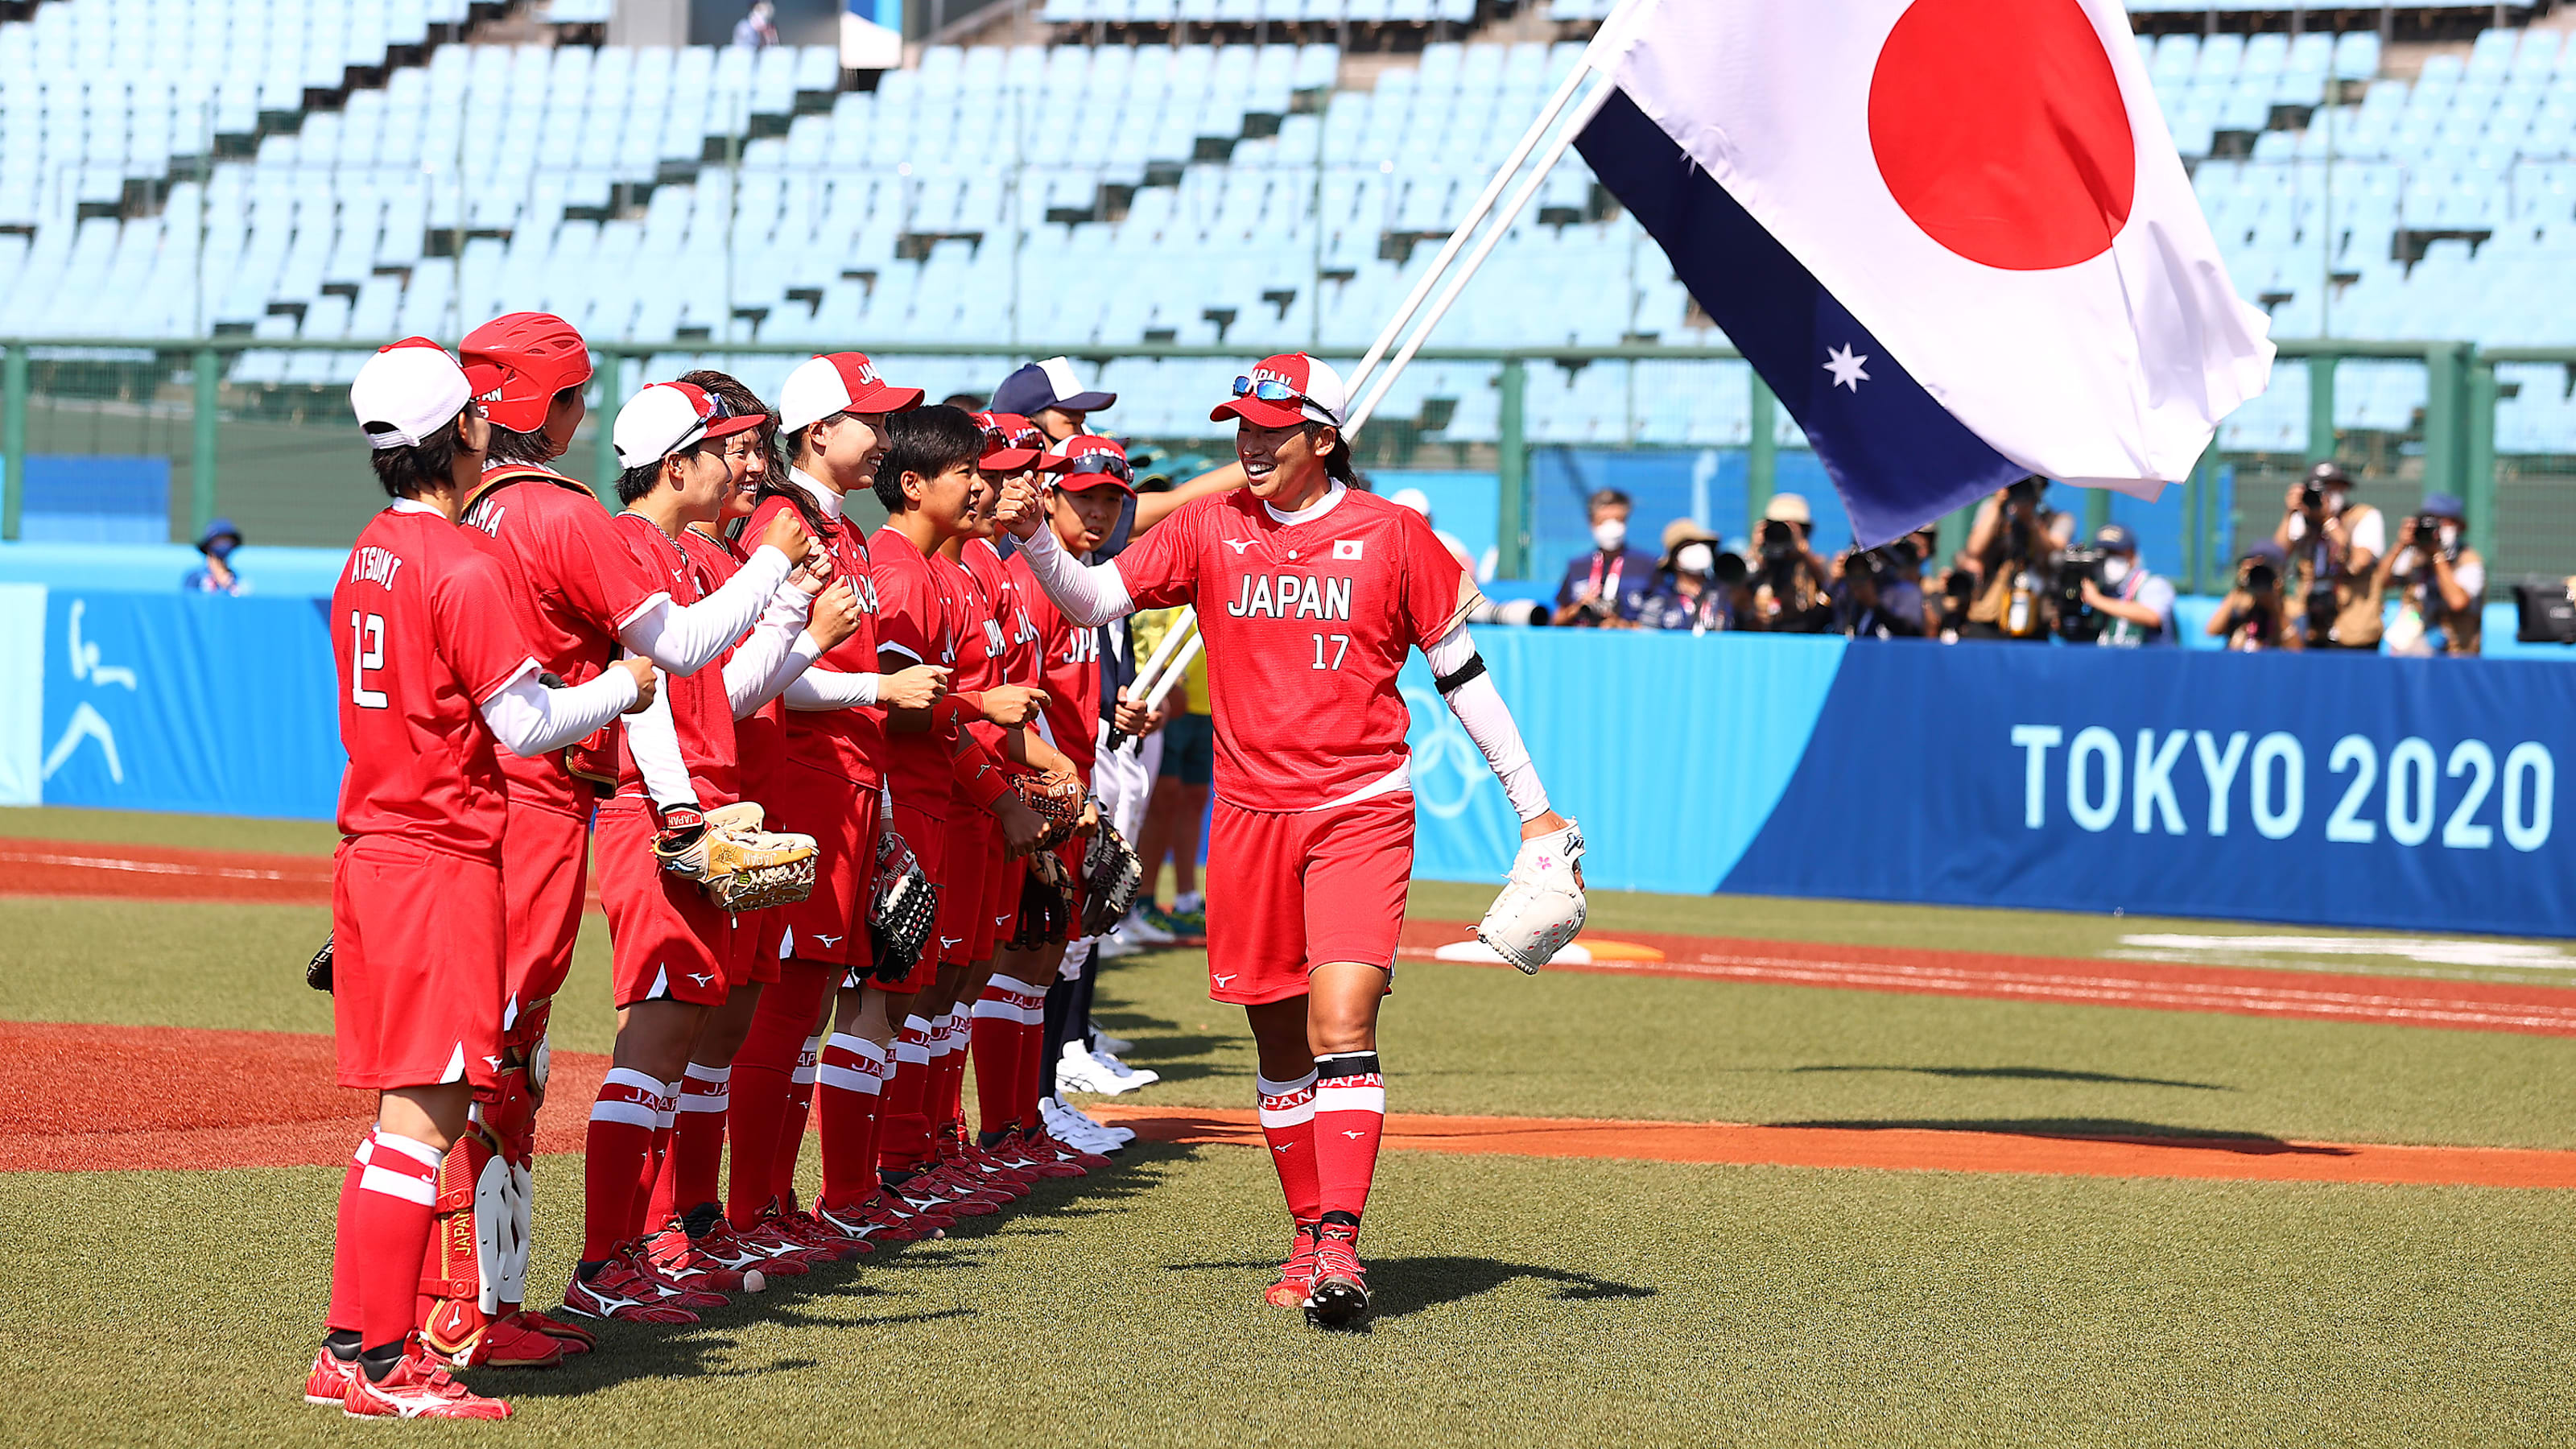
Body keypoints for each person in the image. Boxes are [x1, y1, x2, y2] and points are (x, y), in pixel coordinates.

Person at [994, 351, 1578, 1329]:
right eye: (1242, 427)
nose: (1249, 445)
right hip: (1252, 817)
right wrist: (1037, 544)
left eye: (1270, 429)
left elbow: (1462, 673)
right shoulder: (1210, 526)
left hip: (1360, 809)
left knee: (1340, 1025)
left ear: (1323, 438)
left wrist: (1533, 807)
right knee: (1274, 1045)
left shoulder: (1394, 535)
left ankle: (1340, 1245)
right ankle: (1305, 1232)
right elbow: (1093, 601)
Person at [422, 311, 816, 1368]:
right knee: (492, 1057)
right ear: (554, 410)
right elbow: (675, 662)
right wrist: (774, 577)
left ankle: (489, 1303)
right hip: (537, 799)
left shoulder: (462, 517)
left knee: (498, 1053)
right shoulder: (569, 517)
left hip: (471, 798)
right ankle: (467, 1305)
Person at [309, 338, 656, 1419]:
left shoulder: (369, 550)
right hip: (440, 858)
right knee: (428, 1110)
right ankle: (375, 1362)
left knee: (402, 1113)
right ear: (461, 430)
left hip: (377, 851)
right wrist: (624, 686)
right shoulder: (457, 564)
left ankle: (352, 1353)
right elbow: (528, 720)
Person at [563, 379, 830, 1327]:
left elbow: (723, 689)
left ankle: (650, 1245)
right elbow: (662, 675)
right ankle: (610, 1259)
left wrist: (793, 613)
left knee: (683, 1041)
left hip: (706, 806)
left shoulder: (687, 553)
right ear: (676, 464)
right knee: (657, 1038)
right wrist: (680, 808)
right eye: (724, 450)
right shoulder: (633, 543)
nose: (741, 468)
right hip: (660, 813)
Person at [720, 350, 964, 1257]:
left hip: (853, 783)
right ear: (818, 433)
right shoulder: (782, 520)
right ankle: (744, 1211)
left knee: (810, 1000)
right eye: (872, 419)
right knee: (786, 1003)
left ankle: (774, 1203)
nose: (887, 437)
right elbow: (763, 669)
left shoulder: (844, 529)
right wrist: (872, 689)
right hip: (807, 776)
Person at [2275, 461, 2384, 650]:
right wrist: (2290, 513)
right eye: (2320, 488)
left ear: (2344, 488)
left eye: (2332, 487)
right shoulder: (2304, 520)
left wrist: (2328, 521)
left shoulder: (2363, 516)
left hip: (2353, 627)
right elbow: (2276, 556)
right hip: (2310, 624)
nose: (2326, 494)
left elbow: (2358, 563)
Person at [1961, 477, 2074, 641]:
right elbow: (1974, 550)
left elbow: (2050, 554)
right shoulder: (1994, 510)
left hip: (2035, 615)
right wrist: (1997, 503)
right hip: (1990, 612)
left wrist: (2031, 520)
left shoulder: (2058, 519)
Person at [2378, 492, 2486, 657]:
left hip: (2455, 653)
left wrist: (2437, 556)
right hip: (2411, 648)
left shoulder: (2469, 560)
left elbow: (2457, 602)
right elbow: (2380, 583)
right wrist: (2400, 545)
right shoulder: (2415, 556)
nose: (2438, 528)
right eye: (2432, 521)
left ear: (2458, 526)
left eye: (2444, 521)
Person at [1551, 487, 1659, 626]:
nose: (1611, 527)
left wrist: (1624, 625)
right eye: (1604, 521)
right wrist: (1578, 608)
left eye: (1618, 520)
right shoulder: (1578, 566)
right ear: (1592, 523)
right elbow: (1557, 619)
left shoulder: (1647, 565)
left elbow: (1661, 622)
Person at [1746, 493, 1834, 633]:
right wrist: (1755, 548)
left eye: (1788, 528)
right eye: (1776, 526)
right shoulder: (1762, 565)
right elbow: (1736, 585)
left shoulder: (1813, 565)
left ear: (1803, 531)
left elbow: (1829, 584)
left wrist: (1803, 550)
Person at [2079, 523, 2175, 646]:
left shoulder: (2152, 584)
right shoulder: (2099, 588)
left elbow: (2152, 616)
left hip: (2151, 662)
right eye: (2105, 554)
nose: (2109, 559)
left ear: (2132, 556)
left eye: (2115, 553)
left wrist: (2098, 601)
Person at [1644, 518, 1740, 633]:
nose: (1698, 549)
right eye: (1689, 545)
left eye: (1701, 544)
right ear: (1675, 559)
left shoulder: (1727, 593)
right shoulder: (1660, 600)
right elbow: (1647, 642)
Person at [2206, 541, 2297, 651]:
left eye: (2266, 572)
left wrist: (2276, 610)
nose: (2261, 577)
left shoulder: (2291, 609)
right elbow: (2212, 630)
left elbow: (2297, 651)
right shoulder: (2240, 604)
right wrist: (2240, 586)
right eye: (2256, 571)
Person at [184, 517, 246, 594]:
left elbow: (241, 603)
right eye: (219, 541)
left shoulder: (238, 579)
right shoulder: (196, 578)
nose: (224, 545)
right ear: (208, 546)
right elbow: (190, 603)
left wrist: (227, 587)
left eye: (227, 540)